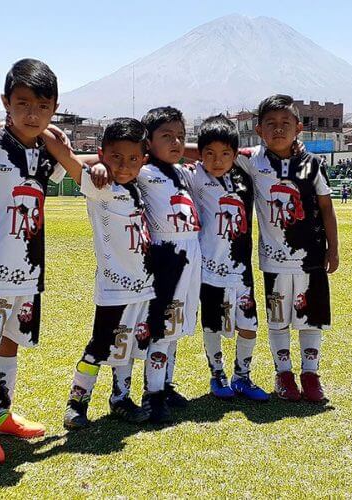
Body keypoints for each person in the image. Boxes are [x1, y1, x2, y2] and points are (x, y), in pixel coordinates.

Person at [0, 59, 92, 462]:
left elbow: (84, 175)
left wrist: (71, 152)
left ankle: (1, 415)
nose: (32, 114)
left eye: (43, 106)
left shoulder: (47, 150)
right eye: (23, 104)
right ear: (5, 102)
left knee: (11, 342)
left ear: (54, 109)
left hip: (29, 271)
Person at [47, 118, 154, 429]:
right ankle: (77, 402)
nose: (124, 165)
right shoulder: (99, 186)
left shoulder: (139, 185)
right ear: (102, 153)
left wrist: (104, 161)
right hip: (114, 287)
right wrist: (39, 126)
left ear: (142, 160)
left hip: (145, 286)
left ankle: (121, 398)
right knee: (100, 345)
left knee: (133, 344)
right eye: (115, 157)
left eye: (133, 159)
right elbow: (63, 154)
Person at [236, 94, 339, 402]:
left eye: (285, 123)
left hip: (310, 259)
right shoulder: (253, 159)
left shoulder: (312, 164)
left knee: (311, 319)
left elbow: (326, 206)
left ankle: (310, 375)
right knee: (279, 319)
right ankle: (284, 375)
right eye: (271, 124)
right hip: (274, 262)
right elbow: (211, 150)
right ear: (258, 129)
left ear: (299, 128)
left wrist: (333, 249)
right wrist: (152, 152)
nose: (278, 130)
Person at [180, 115, 269, 401]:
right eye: (210, 154)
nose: (217, 161)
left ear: (234, 154)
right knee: (212, 325)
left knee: (249, 325)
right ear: (200, 154)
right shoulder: (195, 176)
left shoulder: (247, 174)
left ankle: (242, 377)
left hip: (241, 269)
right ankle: (217, 374)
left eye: (225, 154)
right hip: (209, 270)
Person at [137, 106, 201, 421]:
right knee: (162, 326)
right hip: (167, 255)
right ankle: (152, 395)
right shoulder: (143, 171)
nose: (176, 142)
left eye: (180, 136)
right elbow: (110, 159)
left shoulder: (183, 172)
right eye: (166, 136)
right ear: (147, 142)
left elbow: (210, 149)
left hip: (192, 255)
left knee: (176, 324)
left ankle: (165, 383)